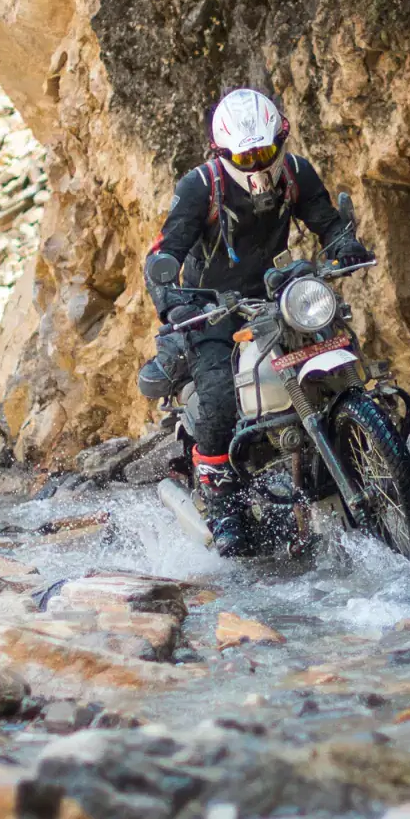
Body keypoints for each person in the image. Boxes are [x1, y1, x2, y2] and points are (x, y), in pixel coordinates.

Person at [139, 88, 371, 553]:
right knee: (220, 397)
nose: (258, 162)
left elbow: (327, 221)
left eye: (266, 150)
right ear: (222, 153)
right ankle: (220, 496)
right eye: (247, 156)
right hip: (212, 307)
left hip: (279, 291)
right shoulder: (199, 187)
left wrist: (344, 243)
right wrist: (175, 304)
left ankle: (361, 444)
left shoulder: (296, 172)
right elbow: (163, 253)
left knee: (335, 334)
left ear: (281, 138)